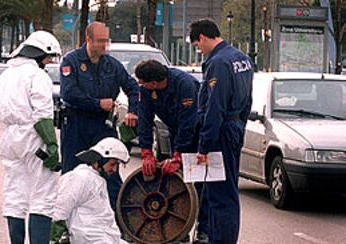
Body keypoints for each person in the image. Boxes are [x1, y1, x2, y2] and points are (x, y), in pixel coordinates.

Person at [59, 21, 139, 209]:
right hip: (76, 124)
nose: (105, 45)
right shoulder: (71, 61)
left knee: (110, 172)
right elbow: (68, 94)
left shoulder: (112, 65)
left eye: (107, 41)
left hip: (102, 125)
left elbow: (133, 88)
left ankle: (117, 218)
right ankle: (66, 226)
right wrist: (97, 104)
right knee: (72, 173)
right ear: (88, 40)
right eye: (101, 41)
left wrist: (133, 111)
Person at [0, 31, 62, 244]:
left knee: (15, 194)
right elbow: (42, 114)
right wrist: (51, 144)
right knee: (43, 195)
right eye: (48, 58)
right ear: (39, 54)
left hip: (10, 137)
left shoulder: (5, 76)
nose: (48, 62)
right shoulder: (36, 76)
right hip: (33, 136)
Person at [190, 19, 253, 244]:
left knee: (219, 195)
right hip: (234, 127)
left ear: (203, 38)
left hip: (221, 132)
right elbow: (248, 101)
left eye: (198, 45)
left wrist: (205, 146)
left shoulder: (218, 62)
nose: (199, 50)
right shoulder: (242, 58)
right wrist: (240, 127)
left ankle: (221, 240)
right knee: (229, 191)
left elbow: (214, 108)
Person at [135, 60, 209, 243]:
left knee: (200, 187)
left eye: (142, 82)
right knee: (176, 185)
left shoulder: (185, 85)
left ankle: (204, 231)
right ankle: (179, 231)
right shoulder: (146, 90)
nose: (140, 85)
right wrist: (146, 152)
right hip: (177, 133)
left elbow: (188, 123)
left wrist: (178, 155)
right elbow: (144, 119)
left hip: (200, 136)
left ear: (153, 82)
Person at [51, 137, 129, 244]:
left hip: (107, 237)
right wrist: (54, 239)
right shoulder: (79, 178)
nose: (115, 169)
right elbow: (60, 211)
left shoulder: (98, 179)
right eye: (112, 164)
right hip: (90, 239)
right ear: (100, 160)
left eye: (117, 165)